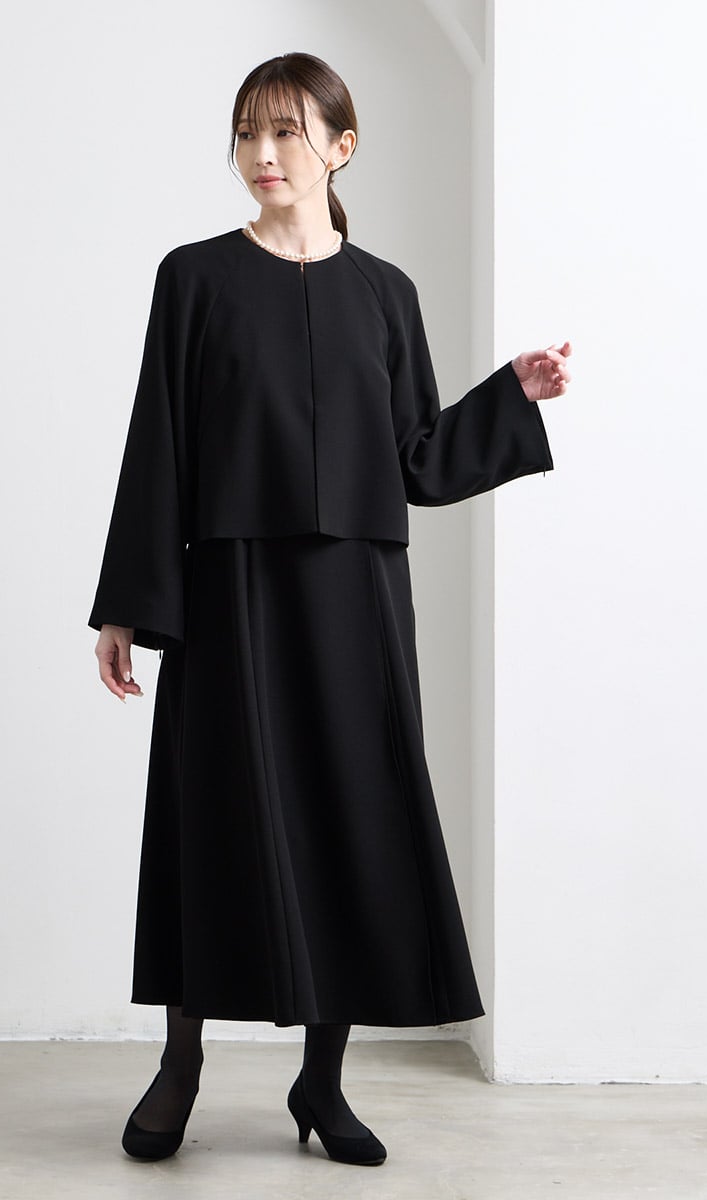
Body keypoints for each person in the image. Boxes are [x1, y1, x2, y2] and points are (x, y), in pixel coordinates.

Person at [88, 51, 571, 1169]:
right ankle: (180, 1063)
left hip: (356, 597)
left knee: (353, 813)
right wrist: (127, 606)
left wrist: (510, 394)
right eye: (247, 134)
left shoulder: (386, 293)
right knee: (213, 815)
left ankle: (323, 1080)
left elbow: (417, 456)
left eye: (286, 133)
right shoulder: (194, 277)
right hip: (232, 591)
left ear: (341, 148)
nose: (262, 155)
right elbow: (159, 442)